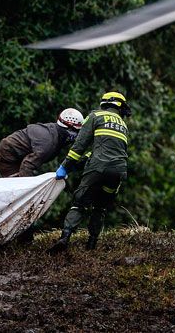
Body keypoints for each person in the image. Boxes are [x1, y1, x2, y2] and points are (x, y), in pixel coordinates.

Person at [48, 91, 131, 253]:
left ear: (105, 103)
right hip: (119, 171)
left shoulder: (95, 116)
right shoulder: (123, 124)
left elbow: (79, 145)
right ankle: (91, 245)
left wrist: (66, 166)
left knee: (80, 202)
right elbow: (109, 150)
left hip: (97, 168)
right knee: (101, 206)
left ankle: (65, 238)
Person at [0, 108, 85, 177]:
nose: (76, 136)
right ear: (68, 129)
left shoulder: (56, 132)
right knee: (16, 188)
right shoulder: (49, 143)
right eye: (76, 132)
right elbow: (27, 165)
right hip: (7, 155)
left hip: (16, 153)